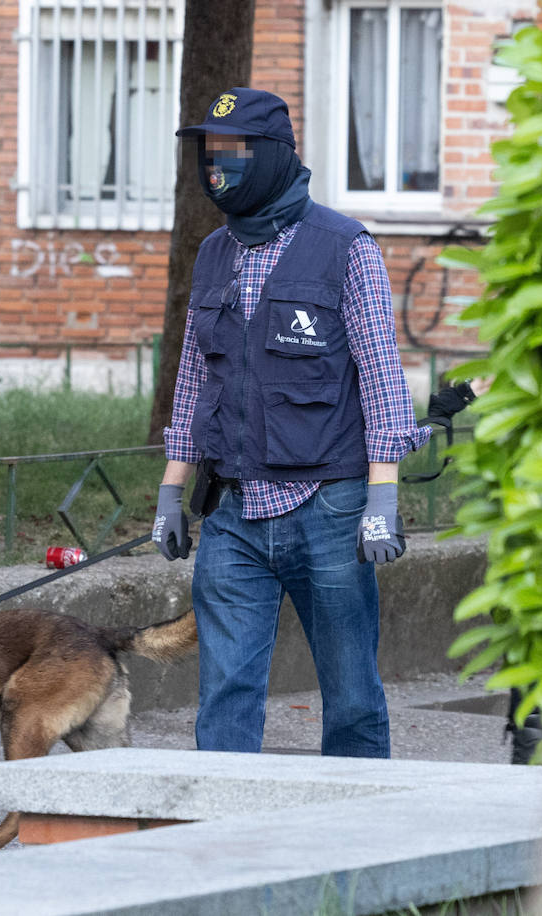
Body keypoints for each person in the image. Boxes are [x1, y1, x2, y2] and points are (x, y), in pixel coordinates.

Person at [151, 88, 432, 758]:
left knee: (354, 698)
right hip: (233, 515)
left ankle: (353, 846)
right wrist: (171, 488)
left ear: (273, 156)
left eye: (235, 150)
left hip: (329, 510)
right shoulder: (214, 253)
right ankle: (217, 846)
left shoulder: (344, 248)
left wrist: (382, 495)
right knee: (223, 696)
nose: (218, 164)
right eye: (209, 151)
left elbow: (381, 372)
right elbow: (195, 377)